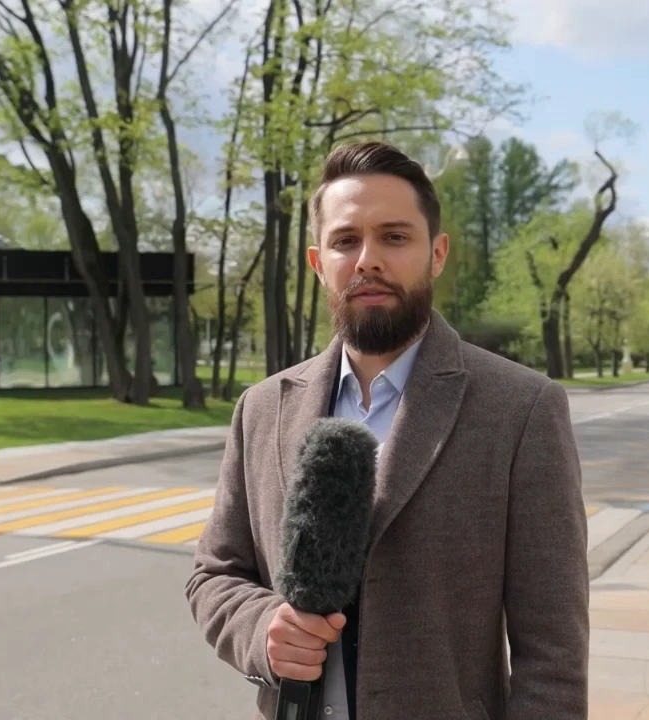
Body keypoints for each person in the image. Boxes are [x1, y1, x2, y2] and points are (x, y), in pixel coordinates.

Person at [185, 141, 590, 720]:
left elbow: (553, 653)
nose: (368, 259)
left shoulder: (522, 409)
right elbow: (216, 574)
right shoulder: (262, 409)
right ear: (318, 262)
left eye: (395, 237)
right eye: (346, 240)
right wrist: (261, 632)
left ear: (437, 254)